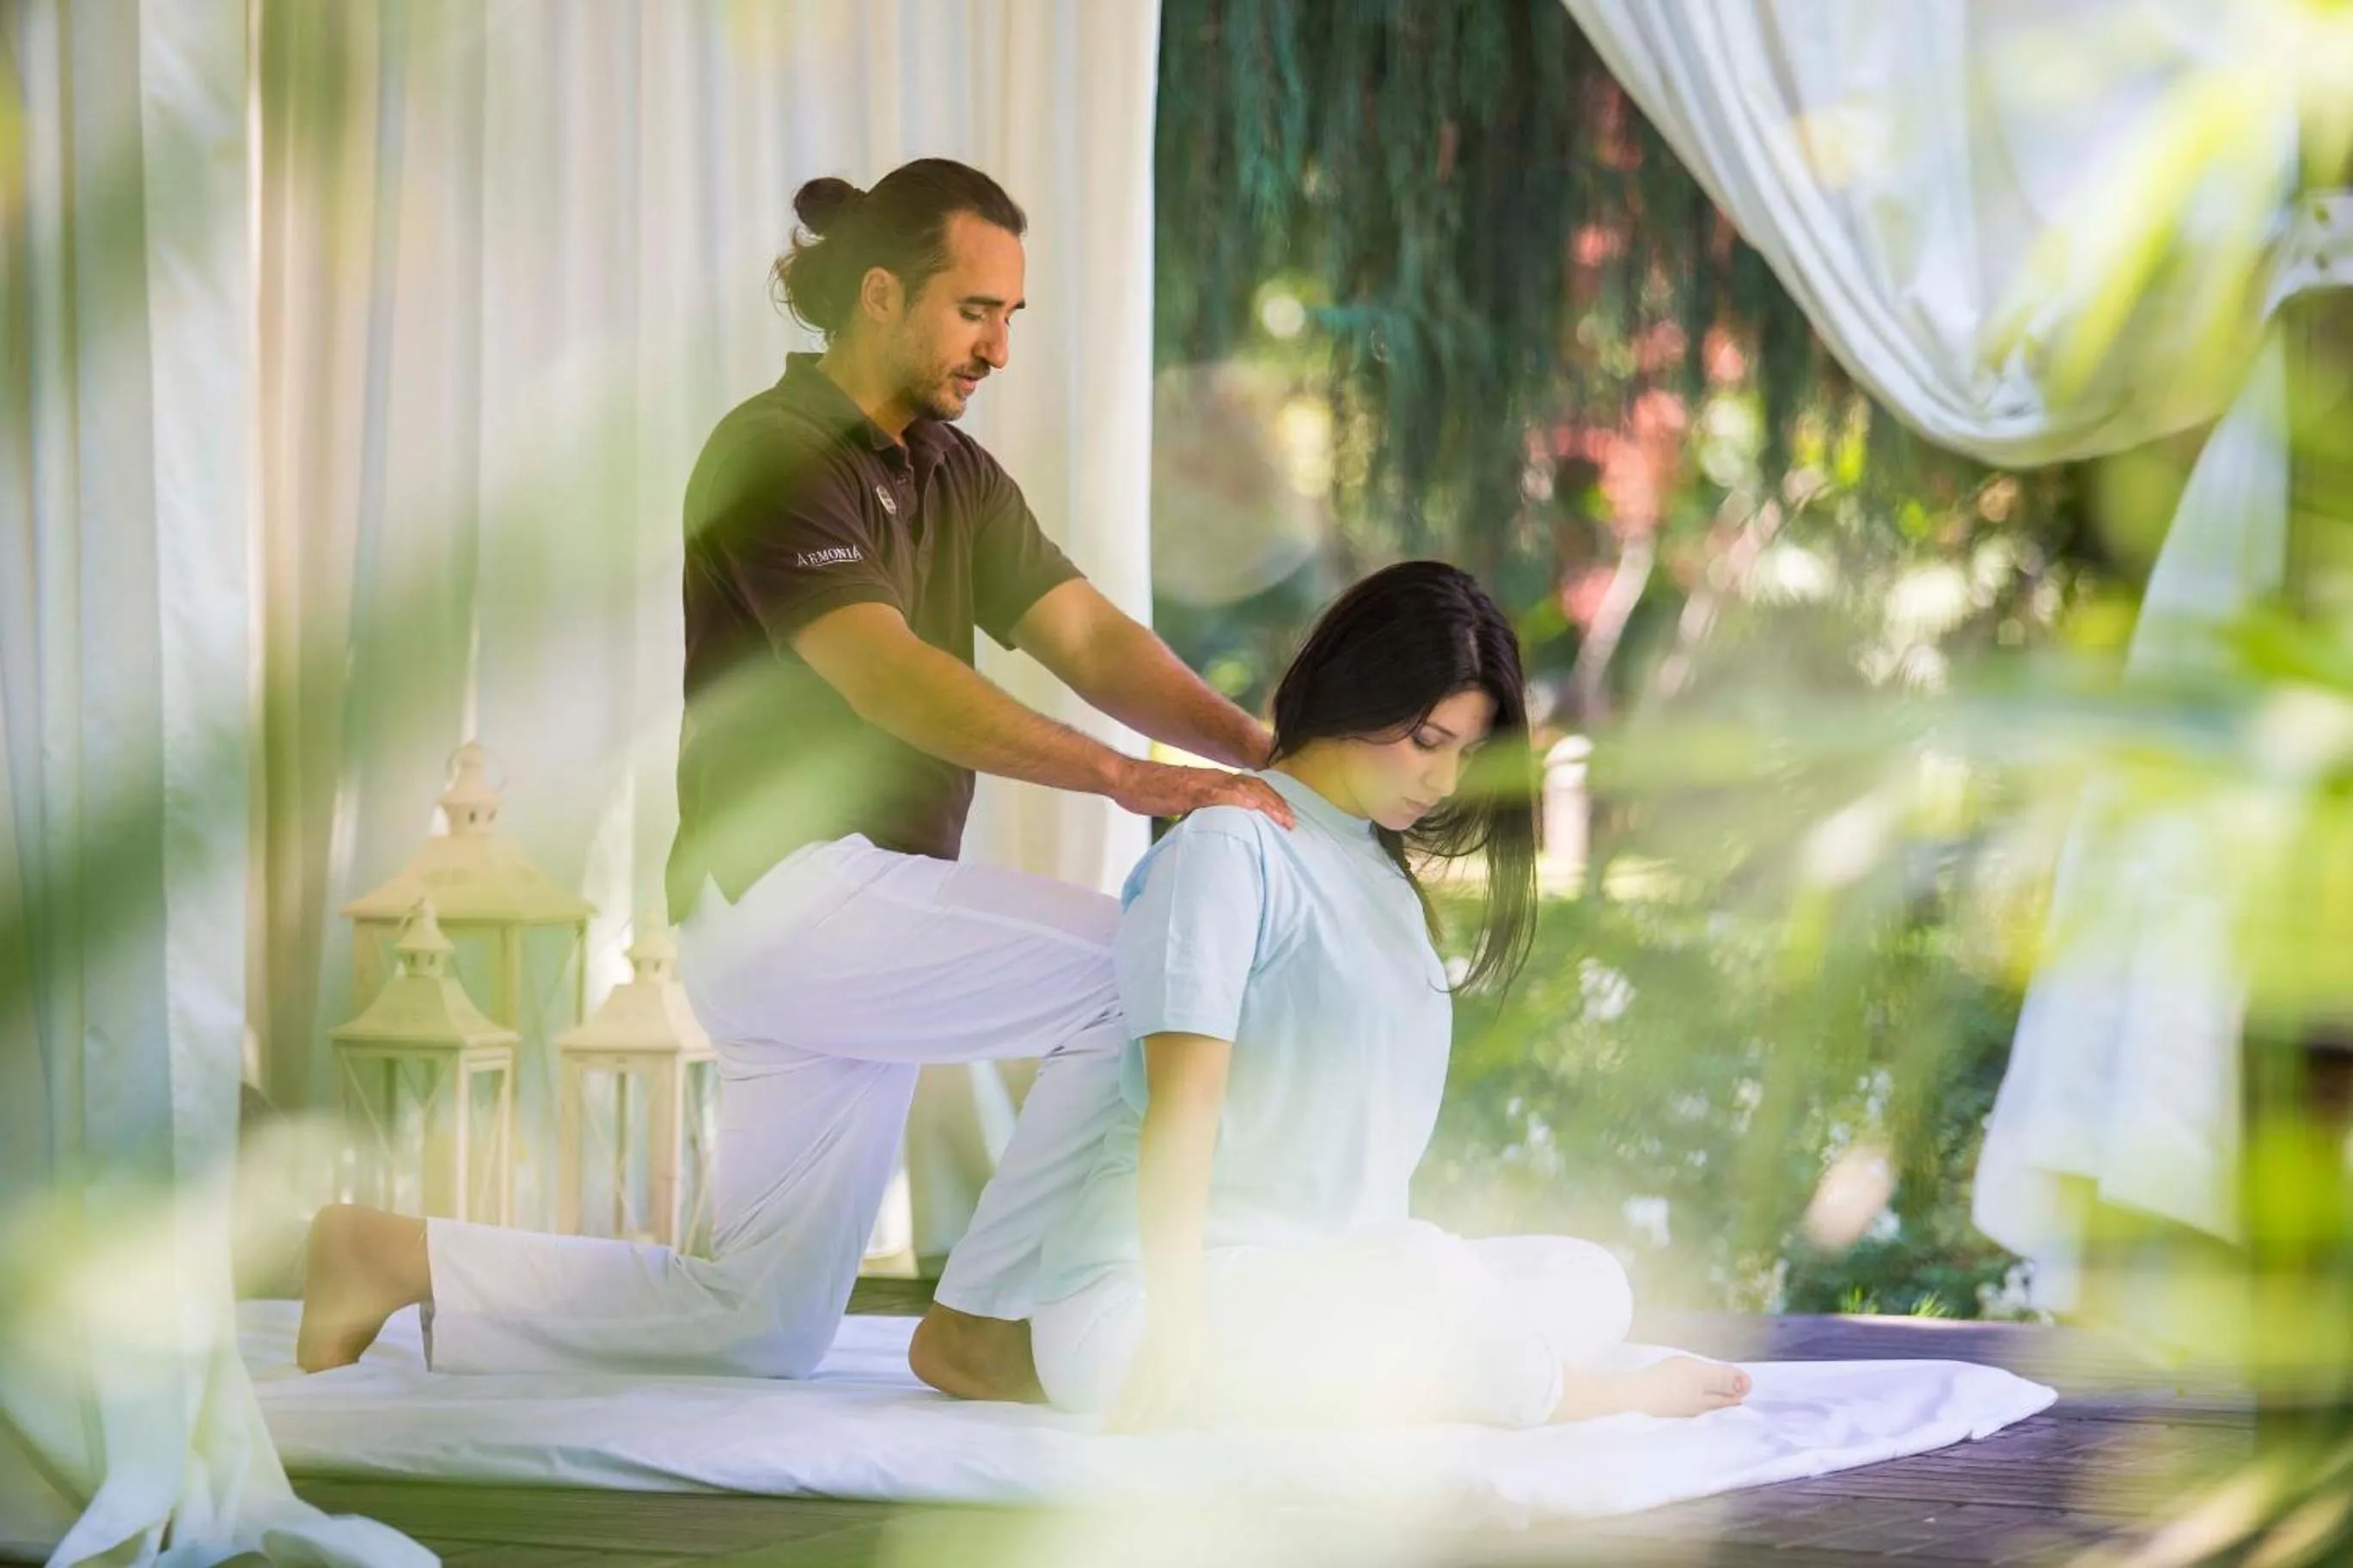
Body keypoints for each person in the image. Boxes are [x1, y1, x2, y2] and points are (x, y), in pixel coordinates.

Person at [296, 157, 1292, 1384]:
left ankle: (388, 1255)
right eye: (975, 312)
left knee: (752, 1320)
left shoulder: (950, 471)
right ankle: (986, 1325)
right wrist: (1127, 779)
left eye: (1011, 319)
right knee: (1136, 977)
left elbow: (1082, 635)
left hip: (843, 926)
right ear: (880, 293)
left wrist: (1260, 754)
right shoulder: (770, 453)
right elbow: (888, 677)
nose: (998, 349)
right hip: (791, 899)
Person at [1002, 561, 1752, 1428]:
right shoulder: (1226, 848)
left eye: (1465, 755)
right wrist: (1176, 1331)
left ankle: (1422, 1366)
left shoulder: (1377, 874)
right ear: (1353, 691)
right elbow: (1180, 1112)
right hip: (1154, 1303)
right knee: (1425, 1272)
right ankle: (1590, 1396)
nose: (1441, 783)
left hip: (1322, 1280)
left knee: (1586, 1280)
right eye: (1427, 742)